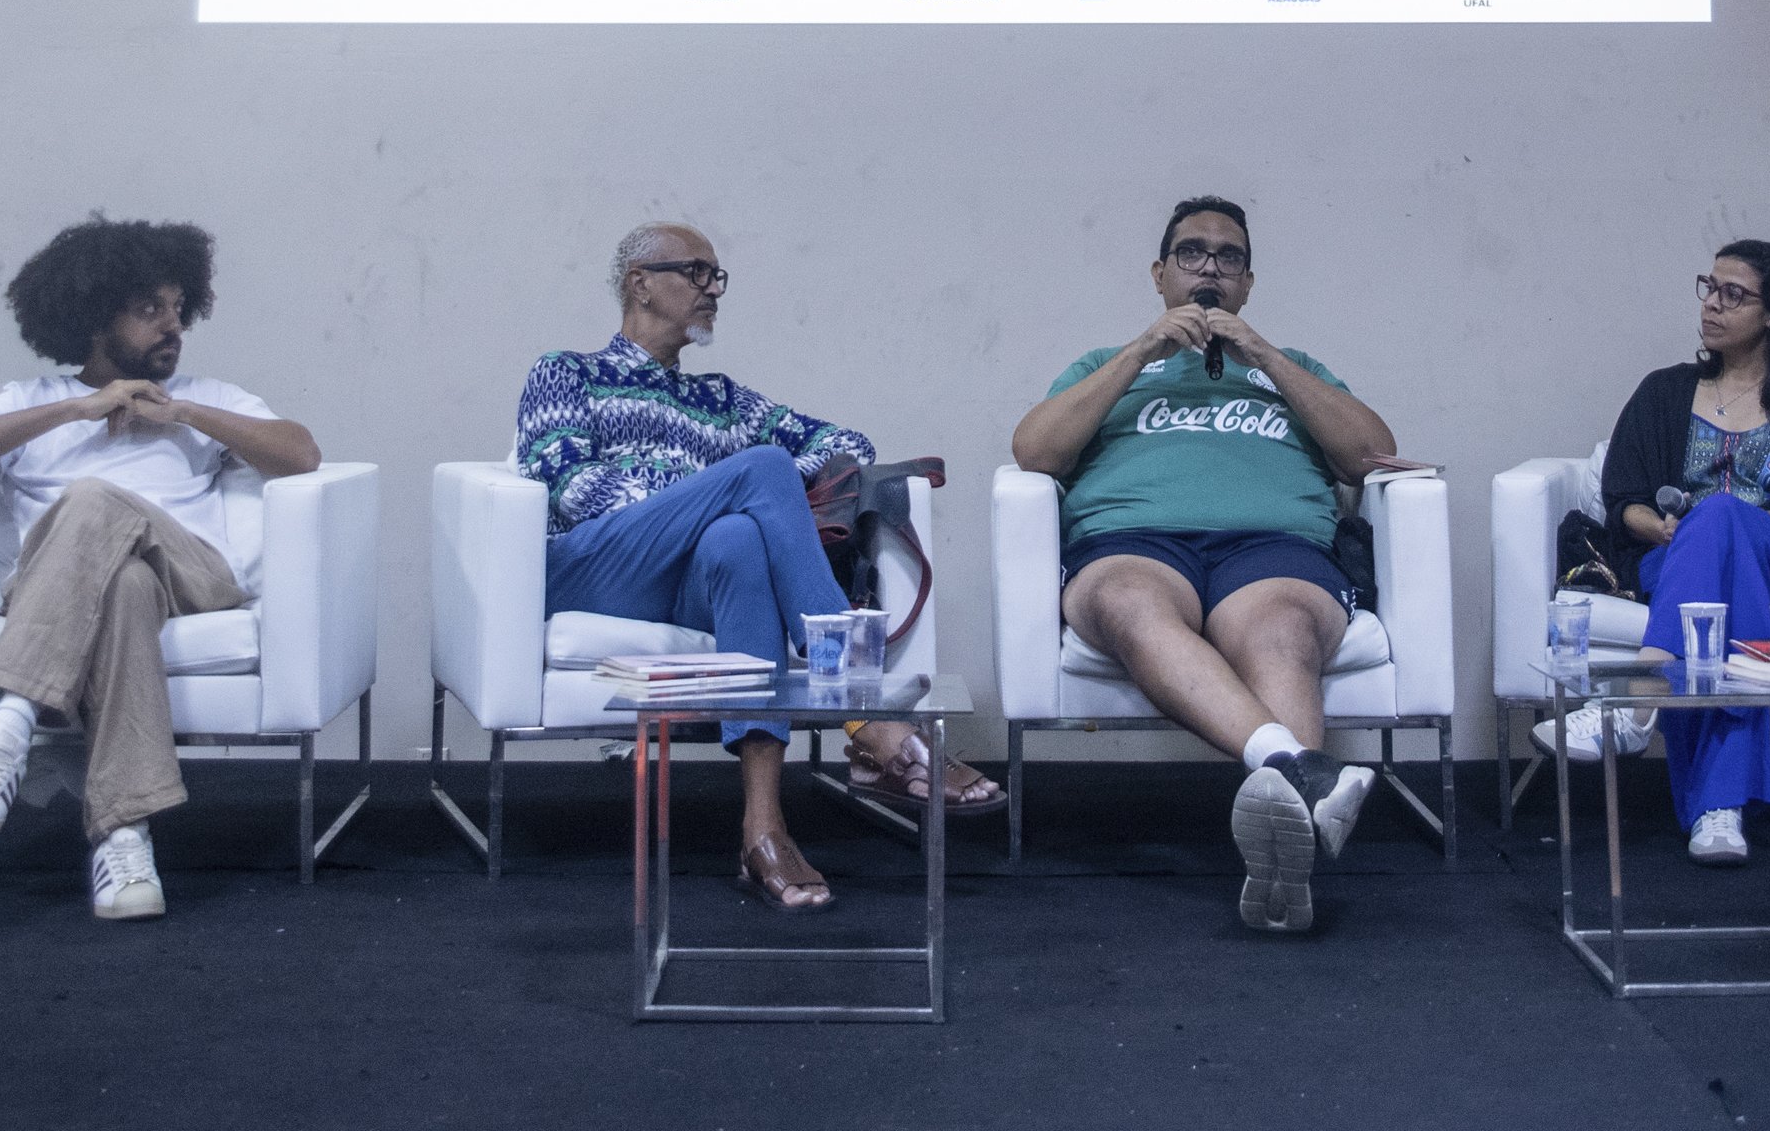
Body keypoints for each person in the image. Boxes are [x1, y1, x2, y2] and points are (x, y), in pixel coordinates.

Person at [517, 222, 1000, 913]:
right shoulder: (567, 372)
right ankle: (867, 715)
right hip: (593, 567)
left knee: (740, 541)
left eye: (718, 276)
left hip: (681, 584)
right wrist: (713, 492)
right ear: (640, 283)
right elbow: (574, 489)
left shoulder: (722, 400)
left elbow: (846, 444)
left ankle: (763, 831)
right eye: (697, 272)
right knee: (758, 476)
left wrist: (746, 503)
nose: (713, 289)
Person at [1009, 195, 1400, 934]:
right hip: (1133, 543)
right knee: (1129, 602)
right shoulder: (1105, 367)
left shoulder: (1295, 370)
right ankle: (1299, 770)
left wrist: (1268, 358)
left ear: (1247, 283)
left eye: (1229, 258)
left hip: (1274, 549)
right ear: (1161, 275)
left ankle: (1284, 847)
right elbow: (1035, 452)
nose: (1210, 268)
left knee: (1283, 629)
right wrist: (1141, 353)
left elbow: (1368, 456)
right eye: (1192, 253)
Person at [0, 218, 322, 920]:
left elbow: (301, 454)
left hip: (191, 577)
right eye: (149, 309)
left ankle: (9, 728)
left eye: (178, 307)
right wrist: (75, 410)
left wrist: (184, 413)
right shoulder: (31, 401)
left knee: (93, 499)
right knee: (123, 586)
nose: (173, 325)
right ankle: (124, 839)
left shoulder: (205, 397)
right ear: (95, 317)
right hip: (64, 589)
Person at [1554, 242, 1770, 865]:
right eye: (1709, 287)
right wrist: (1674, 532)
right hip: (1674, 557)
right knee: (1716, 561)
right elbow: (1623, 501)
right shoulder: (1663, 391)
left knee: (1720, 514)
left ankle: (1636, 700)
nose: (1712, 305)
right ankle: (1719, 812)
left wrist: (1722, 526)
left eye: (1733, 294)